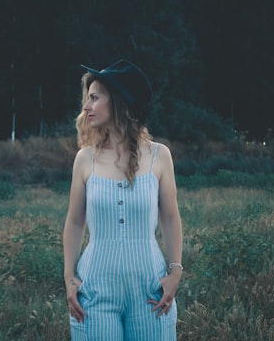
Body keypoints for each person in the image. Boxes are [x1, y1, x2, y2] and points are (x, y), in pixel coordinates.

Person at [63, 59, 184, 340]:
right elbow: (75, 222)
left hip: (151, 291)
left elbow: (169, 217)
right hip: (94, 291)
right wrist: (69, 278)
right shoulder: (85, 159)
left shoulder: (159, 155)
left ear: (117, 102)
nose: (86, 106)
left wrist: (175, 271)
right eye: (87, 98)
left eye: (94, 98)